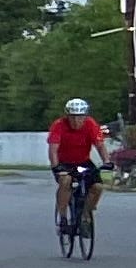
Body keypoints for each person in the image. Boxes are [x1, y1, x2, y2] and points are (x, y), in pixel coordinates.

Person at [47, 97, 110, 240]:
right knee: (65, 181)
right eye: (73, 117)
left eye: (80, 117)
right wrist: (56, 167)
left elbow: (100, 145)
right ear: (67, 116)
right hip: (64, 162)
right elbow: (53, 149)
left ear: (85, 116)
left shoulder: (91, 124)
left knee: (98, 187)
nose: (76, 121)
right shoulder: (59, 125)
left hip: (83, 161)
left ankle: (85, 215)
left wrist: (107, 161)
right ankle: (63, 217)